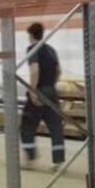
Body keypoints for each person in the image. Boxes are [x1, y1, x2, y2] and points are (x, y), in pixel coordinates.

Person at [20, 22, 65, 167]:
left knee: (27, 125)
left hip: (39, 91)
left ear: (31, 35)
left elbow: (35, 70)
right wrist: (51, 85)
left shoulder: (32, 49)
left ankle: (30, 158)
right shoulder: (51, 50)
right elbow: (59, 71)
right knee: (55, 126)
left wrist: (33, 91)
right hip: (51, 90)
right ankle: (58, 161)